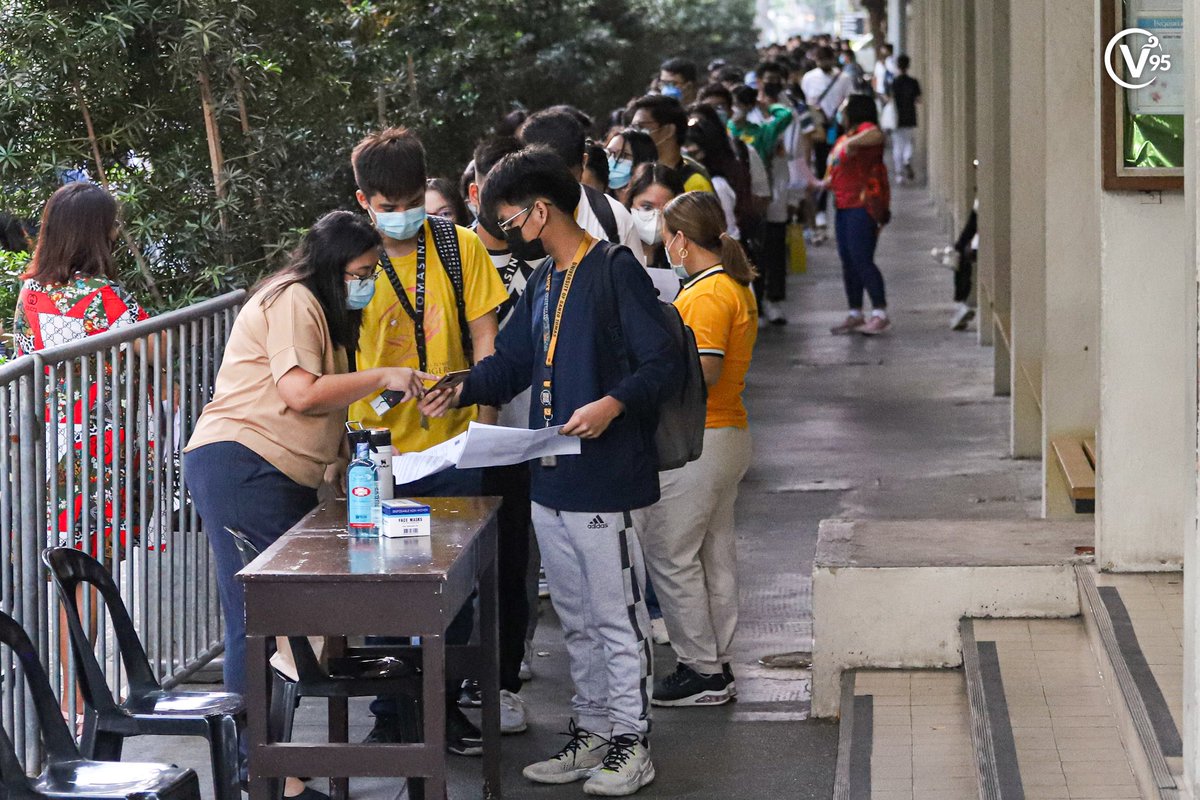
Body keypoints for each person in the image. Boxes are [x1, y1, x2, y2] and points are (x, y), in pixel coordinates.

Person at [421, 146, 679, 796]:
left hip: (607, 478)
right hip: (551, 477)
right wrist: (457, 385)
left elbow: (663, 364)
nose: (509, 232)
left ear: (541, 210)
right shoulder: (544, 280)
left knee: (615, 614)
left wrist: (612, 403)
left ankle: (632, 742)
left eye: (511, 220)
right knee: (577, 617)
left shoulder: (614, 270)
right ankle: (592, 733)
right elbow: (511, 363)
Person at [184, 211, 429, 800]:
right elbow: (300, 393)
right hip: (245, 463)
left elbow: (323, 407)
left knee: (280, 619)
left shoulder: (321, 307)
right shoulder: (295, 298)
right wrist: (383, 375)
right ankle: (264, 772)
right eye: (360, 272)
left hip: (274, 470)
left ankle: (269, 765)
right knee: (266, 620)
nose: (365, 282)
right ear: (330, 266)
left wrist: (346, 460)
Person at [348, 127, 510, 753]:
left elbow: (485, 337)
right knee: (380, 587)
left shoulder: (457, 245)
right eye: (385, 206)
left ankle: (444, 707)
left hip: (452, 444)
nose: (399, 215)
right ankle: (394, 711)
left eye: (409, 199)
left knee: (456, 587)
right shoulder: (350, 256)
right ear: (363, 200)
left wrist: (483, 414)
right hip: (374, 448)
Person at [639, 190, 757, 707]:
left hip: (698, 438)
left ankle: (701, 669)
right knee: (713, 554)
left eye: (666, 238)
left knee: (672, 554)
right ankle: (717, 660)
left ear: (682, 240)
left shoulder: (708, 294)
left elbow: (704, 370)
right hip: (724, 435)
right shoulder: (730, 285)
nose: (665, 247)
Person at [460, 134, 539, 730]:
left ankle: (504, 680)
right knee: (451, 571)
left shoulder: (540, 265)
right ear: (476, 192)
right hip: (450, 440)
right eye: (502, 197)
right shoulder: (449, 255)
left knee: (510, 566)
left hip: (517, 440)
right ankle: (446, 685)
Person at [519, 109, 648, 265]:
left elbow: (635, 285)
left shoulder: (613, 218)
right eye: (544, 183)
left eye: (564, 183)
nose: (556, 195)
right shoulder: (509, 219)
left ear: (584, 162)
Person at [825, 95, 891, 335]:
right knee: (848, 261)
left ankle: (880, 312)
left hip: (862, 206)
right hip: (842, 205)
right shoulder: (846, 136)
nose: (841, 113)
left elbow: (876, 134)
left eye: (844, 109)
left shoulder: (863, 132)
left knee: (862, 258)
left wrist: (850, 144)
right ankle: (855, 311)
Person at [802, 46, 853, 229]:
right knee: (823, 167)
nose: (823, 63)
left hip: (838, 128)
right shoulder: (809, 78)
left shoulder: (844, 78)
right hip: (819, 129)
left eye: (826, 59)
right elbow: (807, 103)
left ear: (833, 59)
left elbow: (850, 100)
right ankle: (821, 209)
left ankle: (840, 202)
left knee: (841, 165)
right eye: (820, 60)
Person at [630, 95, 715, 194]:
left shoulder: (695, 184)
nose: (634, 134)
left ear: (669, 130)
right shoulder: (638, 177)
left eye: (641, 127)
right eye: (633, 127)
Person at [625, 164, 686, 269]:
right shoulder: (614, 249)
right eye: (647, 207)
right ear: (630, 203)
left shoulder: (685, 256)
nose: (657, 217)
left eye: (666, 209)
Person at [889, 55, 922, 184]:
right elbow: (918, 99)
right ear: (908, 66)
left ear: (898, 66)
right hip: (910, 116)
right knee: (908, 142)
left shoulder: (894, 82)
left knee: (897, 145)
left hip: (896, 117)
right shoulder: (913, 82)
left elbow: (890, 98)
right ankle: (907, 158)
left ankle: (899, 174)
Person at [604, 128, 658, 204]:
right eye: (610, 153)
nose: (611, 161)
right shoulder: (599, 199)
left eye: (624, 155)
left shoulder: (651, 200)